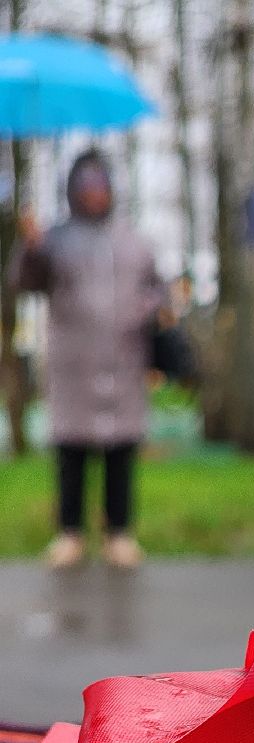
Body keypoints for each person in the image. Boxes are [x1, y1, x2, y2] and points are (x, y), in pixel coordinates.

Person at [10, 150, 161, 570]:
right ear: (74, 192)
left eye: (101, 186)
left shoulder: (133, 240)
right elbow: (26, 282)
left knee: (120, 453)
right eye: (86, 187)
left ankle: (119, 533)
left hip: (123, 361)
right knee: (72, 453)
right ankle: (70, 533)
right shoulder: (54, 239)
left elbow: (156, 289)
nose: (95, 194)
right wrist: (31, 247)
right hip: (73, 364)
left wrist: (150, 309)